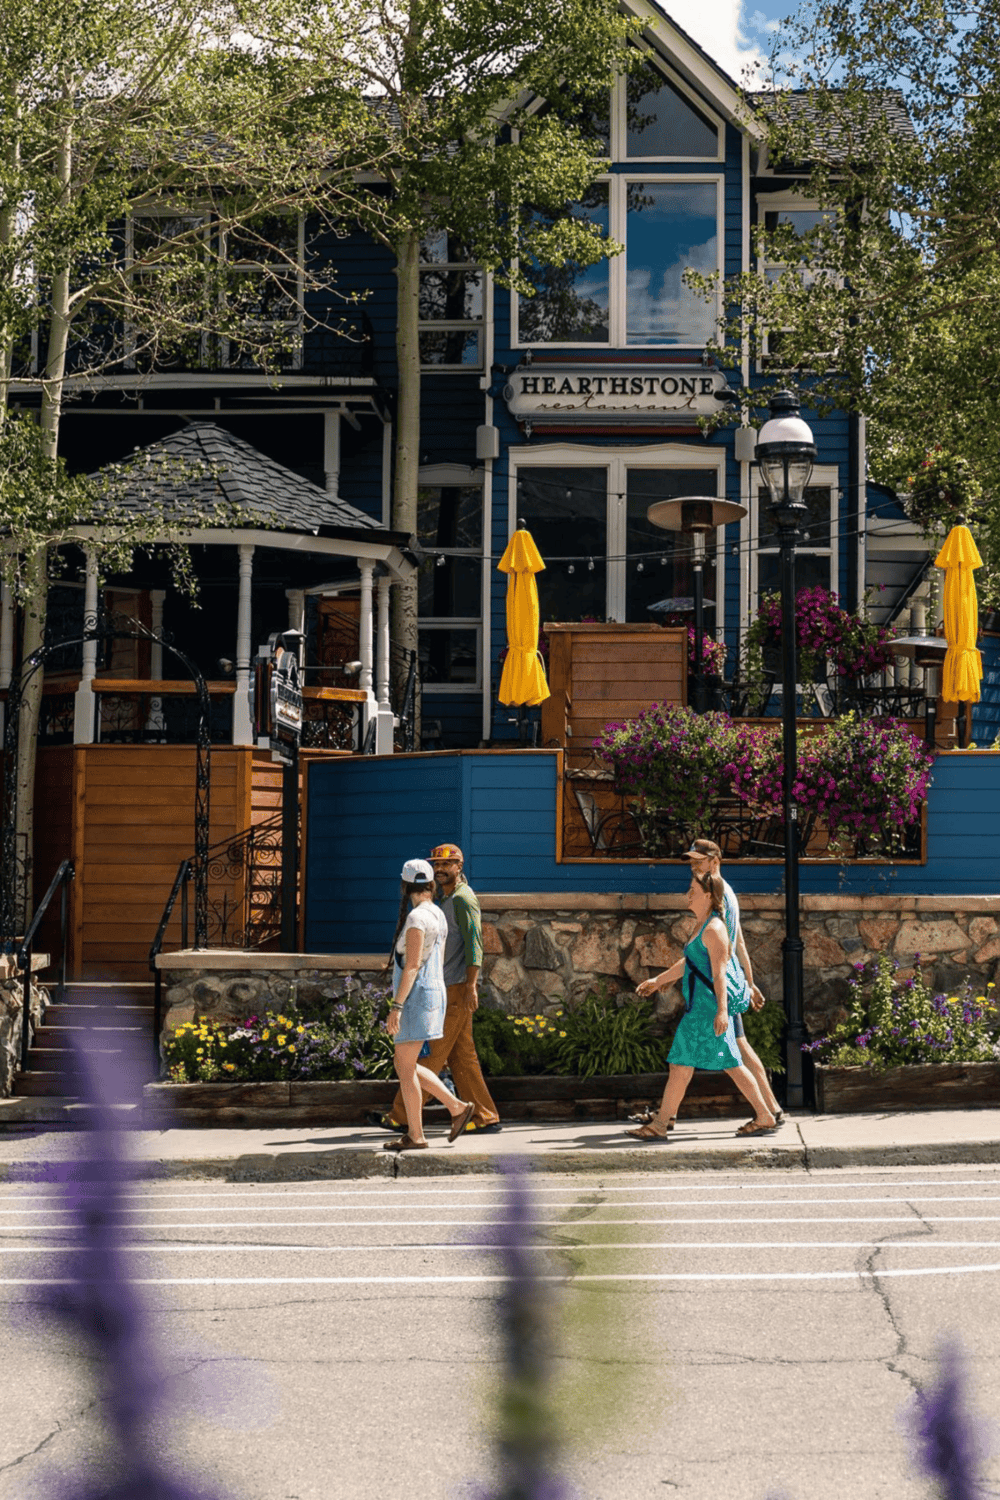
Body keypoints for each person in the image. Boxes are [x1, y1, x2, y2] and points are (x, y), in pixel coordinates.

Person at [629, 837, 783, 1130]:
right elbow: (731, 947)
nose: (694, 867)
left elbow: (724, 951)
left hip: (715, 991)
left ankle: (768, 1112)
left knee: (734, 1056)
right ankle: (767, 1111)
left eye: (699, 862)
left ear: (715, 862)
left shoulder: (719, 897)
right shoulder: (720, 896)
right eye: (692, 861)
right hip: (716, 988)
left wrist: (737, 992)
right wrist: (749, 982)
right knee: (728, 1054)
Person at [383, 843, 501, 1134]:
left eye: (447, 864)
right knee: (463, 1055)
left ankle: (402, 1116)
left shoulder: (462, 899)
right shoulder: (445, 901)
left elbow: (476, 944)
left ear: (460, 866)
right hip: (449, 986)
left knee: (430, 1054)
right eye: (436, 865)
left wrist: (472, 985)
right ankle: (484, 1115)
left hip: (457, 987)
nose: (441, 869)